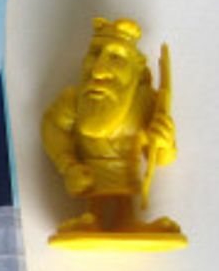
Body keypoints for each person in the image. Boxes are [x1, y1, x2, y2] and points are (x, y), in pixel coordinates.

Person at [42, 17, 180, 237]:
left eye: (115, 58)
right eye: (95, 54)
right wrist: (68, 165)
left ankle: (127, 221)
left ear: (136, 69)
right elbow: (52, 126)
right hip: (90, 178)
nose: (98, 70)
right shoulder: (76, 99)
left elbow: (159, 158)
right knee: (95, 204)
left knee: (124, 204)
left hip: (127, 177)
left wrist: (165, 142)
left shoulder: (145, 102)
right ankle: (94, 219)